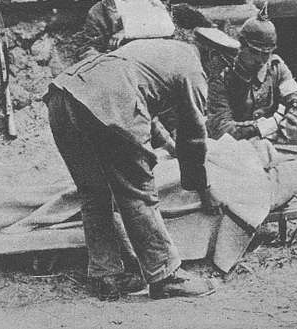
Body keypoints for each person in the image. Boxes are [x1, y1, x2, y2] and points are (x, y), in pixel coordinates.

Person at [45, 27, 239, 300]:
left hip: (63, 95)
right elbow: (193, 135)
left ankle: (107, 276)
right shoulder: (195, 70)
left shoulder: (159, 49)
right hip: (108, 102)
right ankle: (165, 275)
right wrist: (202, 187)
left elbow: (141, 96)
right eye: (224, 66)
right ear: (213, 55)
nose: (221, 74)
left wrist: (167, 145)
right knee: (138, 192)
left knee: (94, 193)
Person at [205, 5, 297, 157]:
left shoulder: (276, 67)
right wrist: (264, 126)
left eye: (267, 53)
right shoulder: (222, 76)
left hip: (268, 147)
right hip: (232, 150)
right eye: (254, 52)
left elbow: (294, 95)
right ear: (241, 45)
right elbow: (220, 130)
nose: (260, 59)